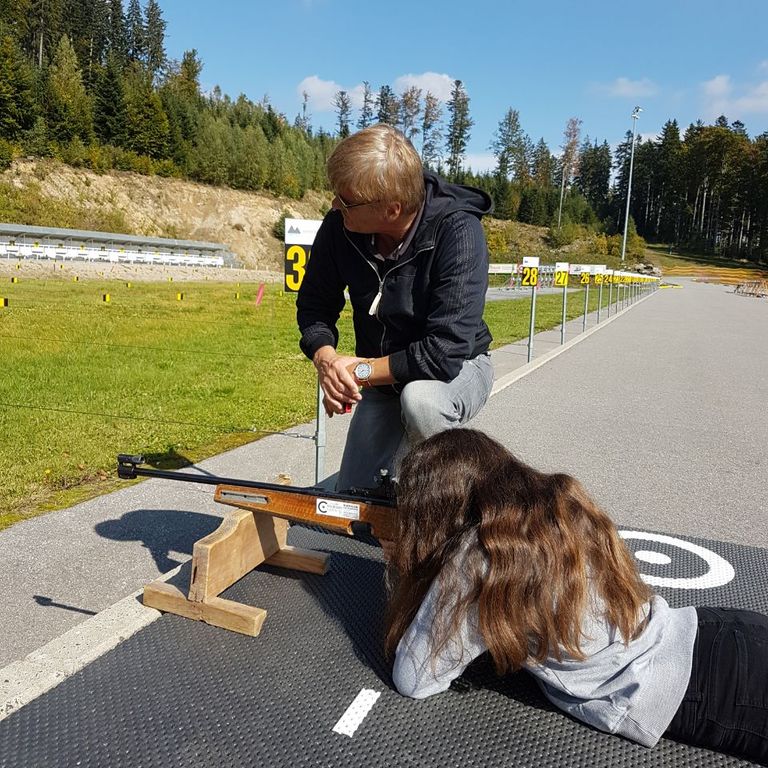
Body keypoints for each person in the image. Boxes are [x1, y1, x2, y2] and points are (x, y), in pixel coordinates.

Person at [385, 428, 768, 765]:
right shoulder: (556, 502)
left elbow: (415, 677)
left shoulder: (479, 558)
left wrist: (420, 571)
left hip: (702, 688)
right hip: (713, 629)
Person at [296, 124, 494, 492]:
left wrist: (359, 370)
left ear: (392, 208)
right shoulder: (339, 226)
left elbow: (444, 352)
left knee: (420, 402)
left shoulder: (459, 232)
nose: (335, 205)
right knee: (353, 503)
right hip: (382, 379)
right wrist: (327, 361)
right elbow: (314, 304)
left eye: (346, 200)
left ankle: (453, 503)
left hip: (455, 370)